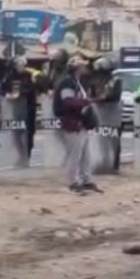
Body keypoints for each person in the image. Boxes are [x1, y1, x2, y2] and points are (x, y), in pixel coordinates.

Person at [55, 57, 100, 193]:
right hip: (72, 122)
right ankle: (73, 181)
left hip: (82, 123)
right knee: (74, 154)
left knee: (86, 154)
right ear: (77, 68)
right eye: (83, 66)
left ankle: (86, 180)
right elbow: (68, 101)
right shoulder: (67, 83)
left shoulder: (77, 82)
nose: (85, 68)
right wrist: (86, 102)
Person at [2, 56, 39, 163]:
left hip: (28, 108)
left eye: (22, 65)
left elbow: (34, 88)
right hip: (15, 108)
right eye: (18, 65)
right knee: (16, 133)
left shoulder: (30, 75)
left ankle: (27, 155)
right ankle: (21, 155)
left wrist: (21, 93)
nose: (20, 67)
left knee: (28, 133)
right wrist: (7, 94)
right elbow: (3, 88)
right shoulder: (10, 76)